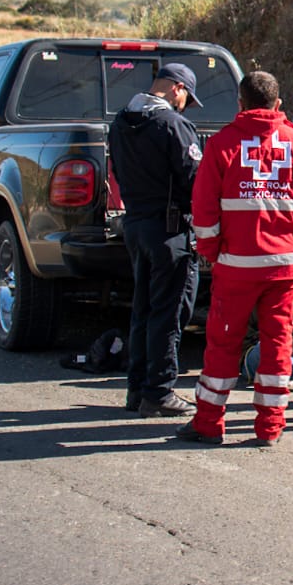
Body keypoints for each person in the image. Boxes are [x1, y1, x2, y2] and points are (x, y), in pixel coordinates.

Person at [176, 71, 293, 445]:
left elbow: (204, 210)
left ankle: (209, 423)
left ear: (240, 104)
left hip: (236, 267)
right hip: (285, 266)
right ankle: (270, 427)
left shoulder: (221, 145)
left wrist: (213, 253)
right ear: (278, 104)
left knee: (223, 344)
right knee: (279, 344)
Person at [108, 62, 205, 417]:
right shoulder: (172, 125)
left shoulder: (121, 122)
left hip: (135, 224)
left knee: (143, 309)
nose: (185, 105)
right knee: (170, 312)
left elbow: (116, 172)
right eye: (186, 98)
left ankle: (137, 388)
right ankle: (160, 391)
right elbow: (194, 179)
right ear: (177, 88)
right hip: (170, 230)